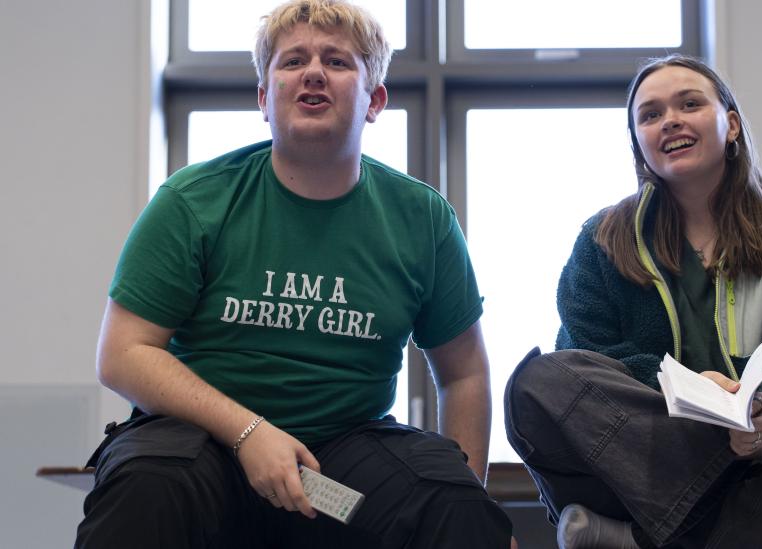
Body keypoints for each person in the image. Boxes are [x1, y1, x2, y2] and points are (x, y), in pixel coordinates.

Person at [75, 1, 514, 547]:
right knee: (147, 485)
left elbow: (464, 372)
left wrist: (469, 507)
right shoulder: (194, 202)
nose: (313, 72)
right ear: (264, 97)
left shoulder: (421, 218)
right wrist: (248, 432)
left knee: (452, 504)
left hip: (335, 473)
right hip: (204, 447)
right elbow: (122, 353)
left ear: (374, 100)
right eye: (292, 61)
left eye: (337, 61)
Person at [504, 54, 762, 549]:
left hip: (760, 456)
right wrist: (685, 391)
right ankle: (697, 517)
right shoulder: (603, 240)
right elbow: (586, 358)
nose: (669, 120)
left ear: (730, 124)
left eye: (688, 104)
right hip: (641, 461)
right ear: (639, 144)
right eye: (649, 115)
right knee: (537, 380)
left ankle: (639, 540)